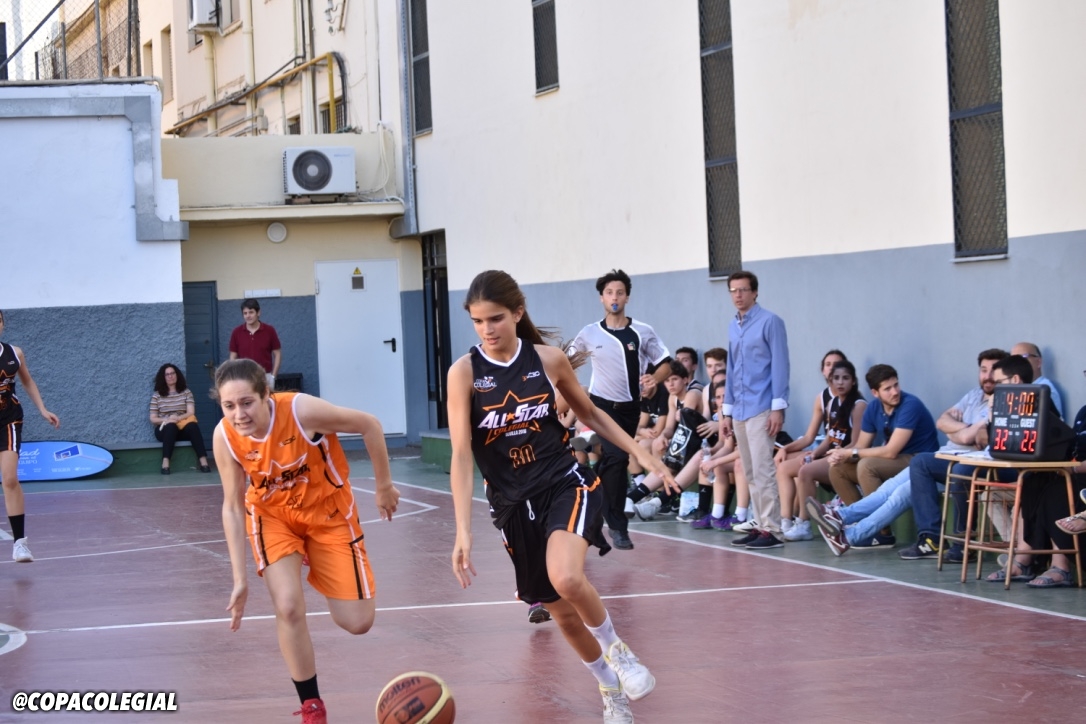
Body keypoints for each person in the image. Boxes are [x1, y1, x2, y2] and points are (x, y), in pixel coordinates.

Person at [448, 270, 676, 723]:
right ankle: (609, 687)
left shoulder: (548, 360)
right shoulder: (465, 373)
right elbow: (459, 453)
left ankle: (620, 652)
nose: (487, 329)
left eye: (495, 318)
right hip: (512, 503)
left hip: (562, 481)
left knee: (568, 578)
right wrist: (462, 530)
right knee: (563, 614)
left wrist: (640, 453)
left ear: (518, 312)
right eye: (477, 321)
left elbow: (592, 413)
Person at [212, 358, 399, 724]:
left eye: (246, 402)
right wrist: (239, 579)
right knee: (288, 606)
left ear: (266, 394)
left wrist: (384, 486)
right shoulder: (225, 437)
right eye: (228, 405)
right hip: (273, 518)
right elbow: (232, 507)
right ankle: (312, 706)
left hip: (328, 514)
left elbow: (370, 425)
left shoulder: (301, 411)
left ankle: (317, 556)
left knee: (358, 622)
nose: (239, 414)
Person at [570, 269, 672, 551]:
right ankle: (618, 527)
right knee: (616, 458)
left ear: (627, 297)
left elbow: (665, 363)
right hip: (601, 406)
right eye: (609, 293)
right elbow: (566, 362)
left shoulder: (642, 331)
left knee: (612, 462)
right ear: (601, 298)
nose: (614, 297)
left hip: (630, 408)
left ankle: (593, 507)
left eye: (619, 293)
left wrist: (654, 379)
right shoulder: (589, 333)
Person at [897, 348, 1010, 561]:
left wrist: (959, 431)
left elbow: (975, 438)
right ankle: (931, 539)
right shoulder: (973, 395)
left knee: (961, 470)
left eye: (993, 370)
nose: (988, 376)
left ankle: (962, 545)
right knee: (920, 462)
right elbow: (942, 422)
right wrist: (965, 430)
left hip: (993, 464)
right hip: (958, 455)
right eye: (983, 370)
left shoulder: (1007, 398)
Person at [720, 270, 791, 550]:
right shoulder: (732, 326)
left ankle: (773, 530)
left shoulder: (771, 322)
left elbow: (781, 365)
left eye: (743, 290)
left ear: (755, 292)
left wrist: (778, 407)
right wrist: (726, 411)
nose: (738, 295)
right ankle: (761, 525)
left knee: (763, 469)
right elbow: (731, 368)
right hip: (739, 407)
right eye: (733, 290)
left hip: (762, 405)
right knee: (749, 471)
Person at [826, 364, 938, 510]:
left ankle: (879, 524)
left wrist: (850, 453)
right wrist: (841, 456)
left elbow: (891, 452)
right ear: (875, 392)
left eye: (896, 385)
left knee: (867, 466)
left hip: (919, 459)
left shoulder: (910, 405)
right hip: (897, 460)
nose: (895, 392)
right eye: (887, 389)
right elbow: (861, 446)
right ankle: (858, 518)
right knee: (837, 469)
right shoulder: (873, 408)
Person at [0, 309, 60, 563]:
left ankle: (20, 544)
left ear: (2, 324)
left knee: (10, 478)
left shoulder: (15, 353)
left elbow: (27, 382)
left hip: (8, 420)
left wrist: (42, 409)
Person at [773, 349, 849, 541]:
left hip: (844, 456)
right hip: (825, 452)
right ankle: (785, 521)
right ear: (823, 371)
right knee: (783, 466)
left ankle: (804, 523)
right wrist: (785, 449)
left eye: (837, 364)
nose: (832, 369)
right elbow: (809, 437)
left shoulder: (854, 400)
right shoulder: (823, 398)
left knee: (805, 469)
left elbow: (858, 441)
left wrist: (819, 455)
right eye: (828, 365)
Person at [149, 363, 211, 475]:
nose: (170, 376)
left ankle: (203, 462)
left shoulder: (186, 392)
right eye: (167, 374)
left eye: (172, 373)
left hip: (182, 428)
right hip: (164, 430)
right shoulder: (157, 395)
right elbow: (153, 418)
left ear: (177, 375)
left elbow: (191, 412)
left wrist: (177, 418)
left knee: (192, 426)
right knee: (171, 426)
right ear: (163, 378)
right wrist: (168, 420)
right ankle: (165, 463)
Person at [229, 298, 282, 391]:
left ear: (258, 313)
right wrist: (235, 376)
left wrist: (273, 377)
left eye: (251, 312)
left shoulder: (269, 330)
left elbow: (277, 354)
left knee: (266, 400)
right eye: (245, 313)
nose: (248, 316)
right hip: (244, 377)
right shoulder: (236, 332)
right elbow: (233, 357)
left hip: (265, 377)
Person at [1011, 342, 1062, 417]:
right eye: (1013, 359)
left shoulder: (1045, 389)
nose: (1017, 363)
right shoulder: (1014, 388)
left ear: (1038, 362)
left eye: (1024, 357)